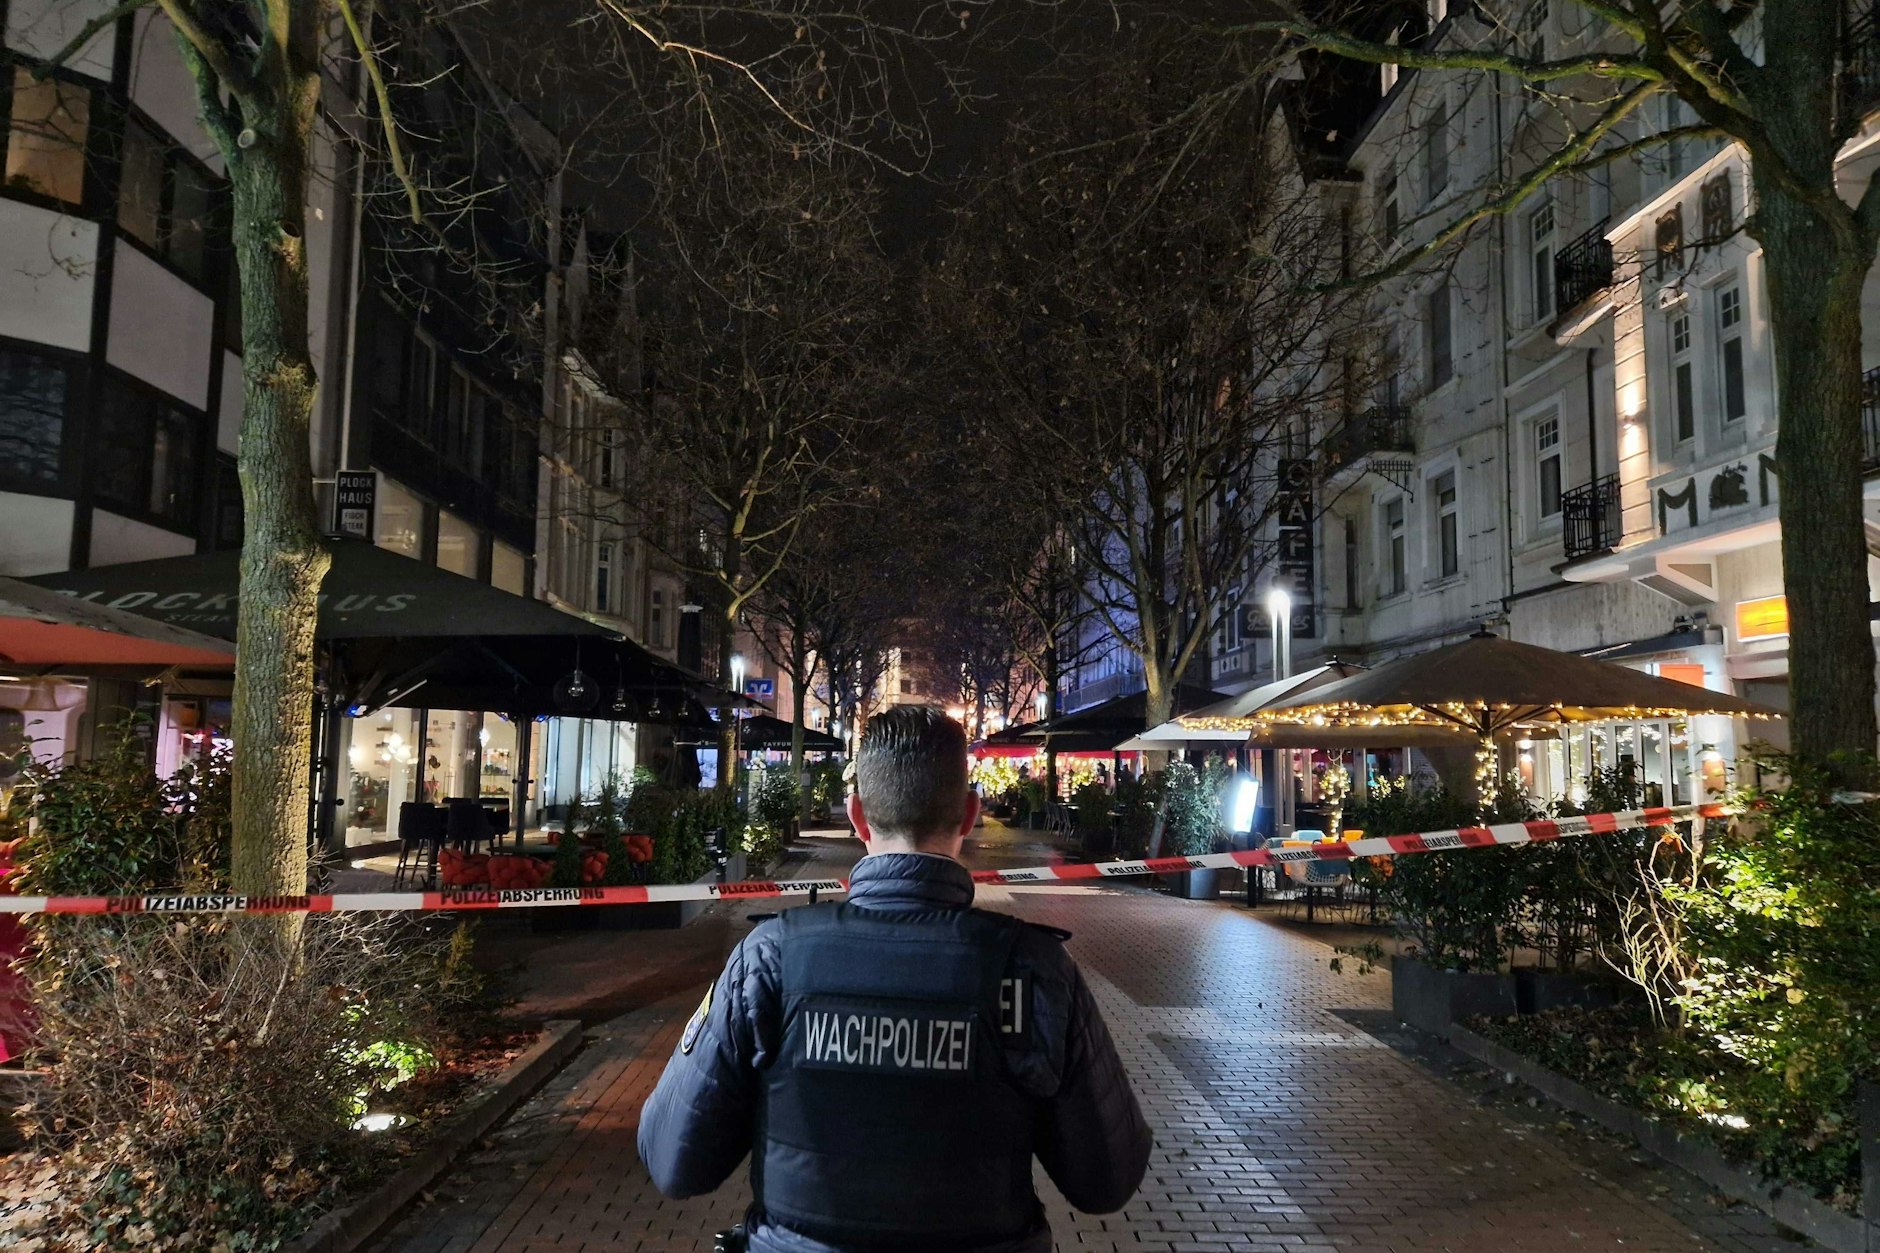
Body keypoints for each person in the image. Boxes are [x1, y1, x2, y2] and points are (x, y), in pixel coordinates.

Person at [638, 704, 1152, 1253]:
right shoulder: (1035, 971)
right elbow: (1106, 1180)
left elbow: (674, 1160)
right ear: (970, 814)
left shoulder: (770, 962)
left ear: (857, 816)